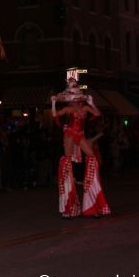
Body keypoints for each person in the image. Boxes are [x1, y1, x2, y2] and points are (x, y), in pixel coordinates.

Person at [51, 77, 111, 218]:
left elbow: (97, 113)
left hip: (79, 134)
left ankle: (93, 199)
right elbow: (55, 115)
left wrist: (92, 103)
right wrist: (53, 103)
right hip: (70, 134)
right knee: (67, 161)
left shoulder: (85, 107)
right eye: (73, 98)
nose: (75, 101)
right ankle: (69, 205)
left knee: (92, 157)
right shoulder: (68, 108)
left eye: (76, 98)